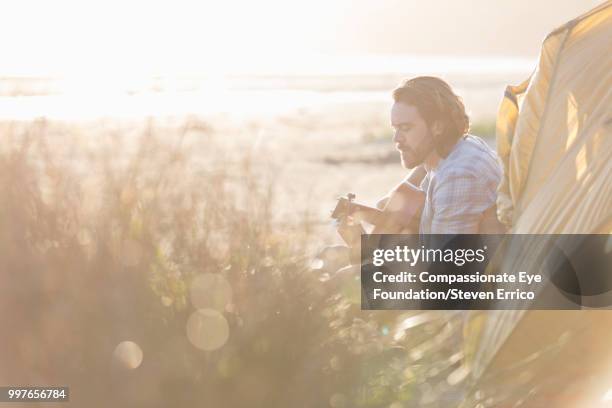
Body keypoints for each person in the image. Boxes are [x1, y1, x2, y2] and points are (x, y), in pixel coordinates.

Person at [382, 76, 502, 235]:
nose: (396, 138)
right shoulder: (458, 149)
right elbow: (387, 205)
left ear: (437, 126)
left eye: (405, 128)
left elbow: (447, 259)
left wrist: (359, 255)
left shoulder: (459, 175)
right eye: (395, 129)